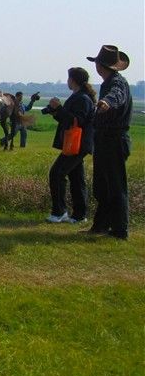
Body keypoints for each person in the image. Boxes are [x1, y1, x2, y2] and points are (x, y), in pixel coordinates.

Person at [86, 45, 132, 240]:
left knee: (115, 186)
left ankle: (120, 230)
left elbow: (117, 96)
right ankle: (101, 226)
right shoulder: (109, 82)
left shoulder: (117, 83)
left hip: (114, 140)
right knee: (102, 187)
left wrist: (107, 103)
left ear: (99, 65)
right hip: (105, 140)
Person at [42, 68, 95, 223]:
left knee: (56, 173)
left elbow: (76, 121)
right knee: (76, 178)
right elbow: (68, 119)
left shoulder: (82, 99)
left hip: (77, 144)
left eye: (68, 78)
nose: (67, 81)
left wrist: (59, 108)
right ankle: (79, 215)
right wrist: (56, 112)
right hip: (76, 144)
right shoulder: (78, 96)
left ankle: (59, 212)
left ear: (73, 80)